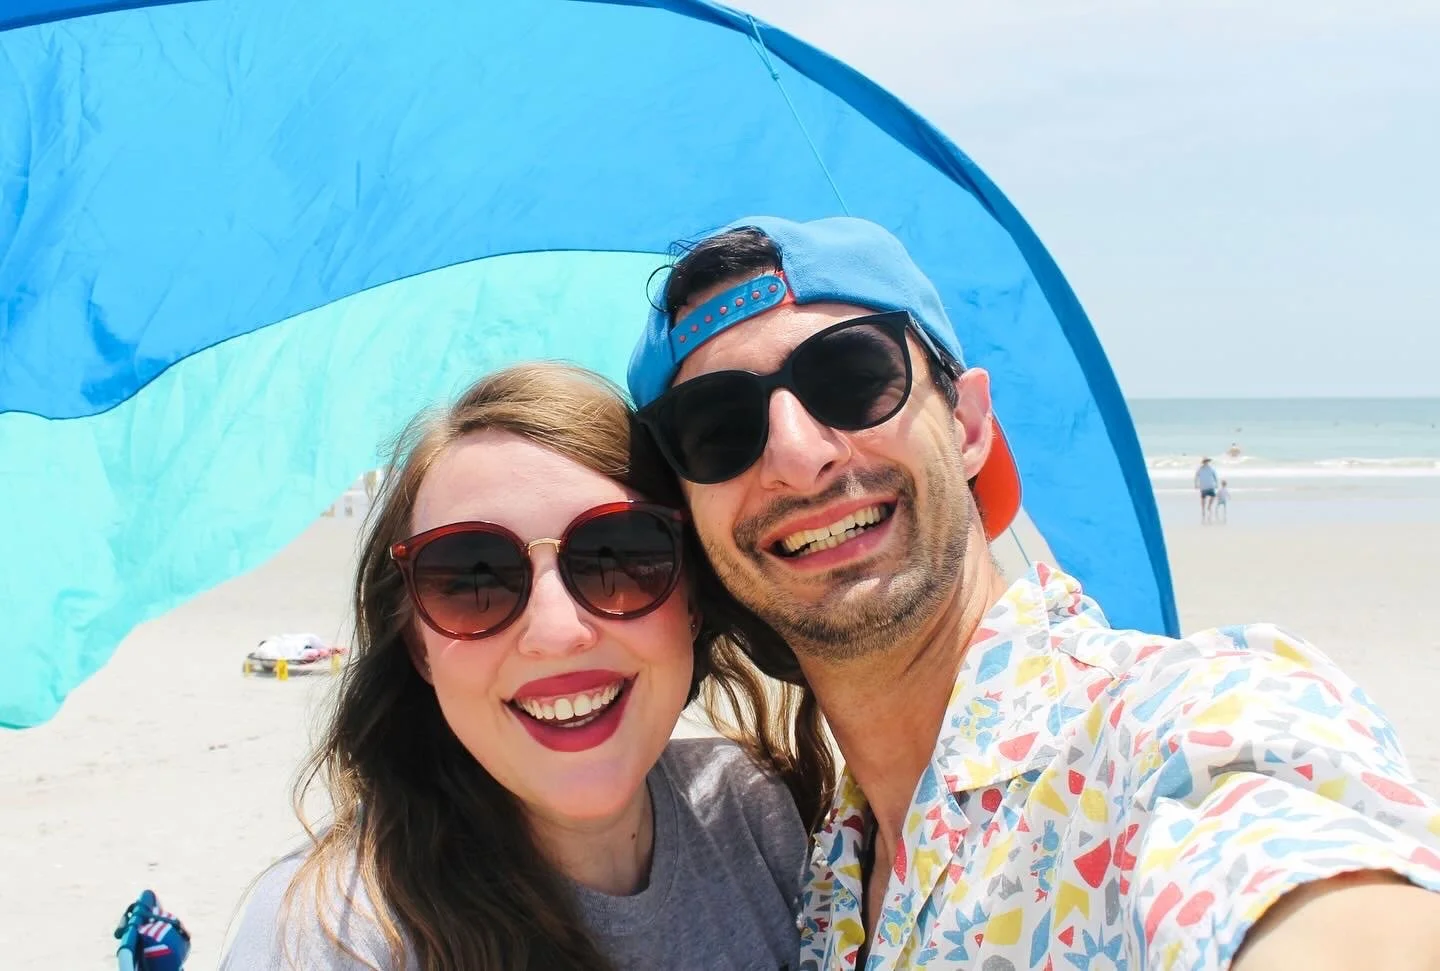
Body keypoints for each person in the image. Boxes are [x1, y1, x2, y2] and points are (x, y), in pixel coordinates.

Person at [627, 215, 1440, 970]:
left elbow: (1309, 887)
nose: (800, 456)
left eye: (852, 376)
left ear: (969, 425)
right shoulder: (828, 875)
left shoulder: (1168, 727)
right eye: (717, 428)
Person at [222, 363, 828, 971]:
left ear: (692, 601)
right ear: (418, 647)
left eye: (619, 556)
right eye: (472, 580)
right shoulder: (332, 937)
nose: (556, 632)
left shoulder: (757, 809)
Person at [1195, 456, 1220, 524]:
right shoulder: (1200, 469)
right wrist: (1196, 484)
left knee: (1213, 496)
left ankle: (1209, 506)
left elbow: (1214, 476)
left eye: (1207, 461)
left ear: (1208, 462)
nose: (1206, 462)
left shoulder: (1211, 468)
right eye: (1205, 461)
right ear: (1203, 462)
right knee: (1203, 499)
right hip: (1203, 486)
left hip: (1210, 485)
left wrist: (1216, 483)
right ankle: (1203, 509)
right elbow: (1196, 476)